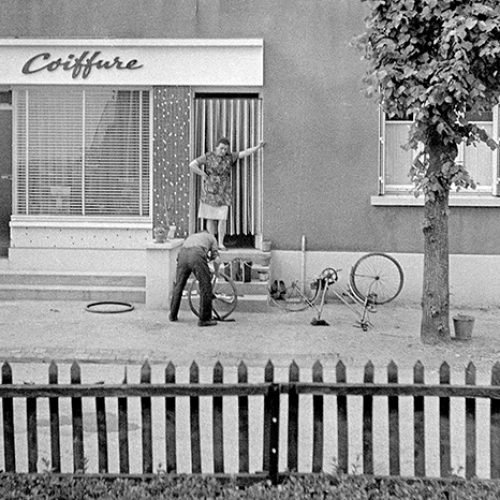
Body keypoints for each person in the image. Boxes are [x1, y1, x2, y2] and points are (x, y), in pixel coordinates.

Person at [189, 138, 265, 249]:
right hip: (210, 190)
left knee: (222, 218)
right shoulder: (208, 156)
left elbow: (244, 153)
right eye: (221, 148)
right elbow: (192, 165)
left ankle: (220, 243)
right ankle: (212, 243)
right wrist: (203, 174)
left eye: (225, 149)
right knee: (210, 217)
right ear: (216, 147)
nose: (223, 151)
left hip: (224, 190)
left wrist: (257, 147)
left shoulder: (230, 157)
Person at [169, 230, 221, 327]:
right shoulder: (212, 237)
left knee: (179, 286)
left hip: (182, 254)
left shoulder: (192, 237)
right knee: (205, 286)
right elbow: (216, 258)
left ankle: (172, 314)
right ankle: (204, 319)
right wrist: (216, 273)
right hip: (197, 254)